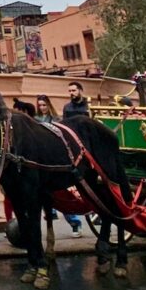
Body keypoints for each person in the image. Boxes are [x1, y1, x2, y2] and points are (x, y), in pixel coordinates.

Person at [32, 97, 83, 233]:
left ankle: (74, 222)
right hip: (43, 159)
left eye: (44, 104)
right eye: (40, 105)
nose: (42, 107)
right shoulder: (35, 120)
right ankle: (52, 212)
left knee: (63, 194)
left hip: (56, 157)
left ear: (48, 105)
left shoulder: (55, 119)